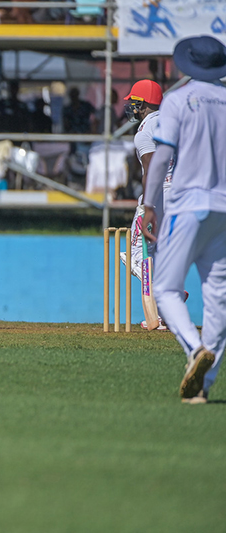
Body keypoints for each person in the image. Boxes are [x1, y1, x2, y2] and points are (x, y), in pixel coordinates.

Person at [143, 35, 226, 404]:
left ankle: (194, 350)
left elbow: (161, 159)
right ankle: (203, 388)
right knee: (218, 299)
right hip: (224, 209)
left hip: (187, 204)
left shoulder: (177, 100)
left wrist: (148, 205)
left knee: (165, 288)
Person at [118, 79, 176, 330]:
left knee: (137, 257)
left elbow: (151, 170)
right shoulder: (175, 122)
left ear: (142, 104)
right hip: (182, 194)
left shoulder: (146, 130)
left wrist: (148, 205)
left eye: (133, 102)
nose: (131, 106)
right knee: (163, 254)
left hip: (159, 194)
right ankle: (164, 312)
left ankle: (165, 295)